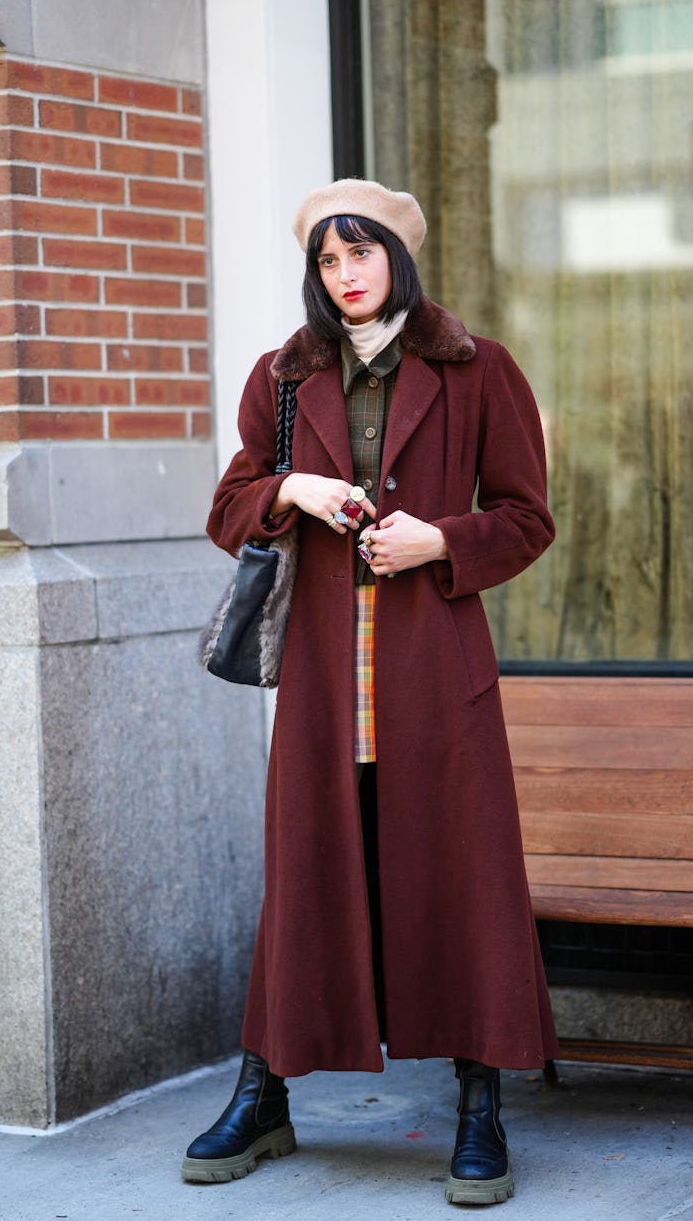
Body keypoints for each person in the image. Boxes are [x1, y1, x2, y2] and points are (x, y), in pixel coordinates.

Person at [181, 178, 558, 1207]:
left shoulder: (477, 370)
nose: (345, 277)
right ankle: (266, 1092)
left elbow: (528, 517)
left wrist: (444, 539)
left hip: (436, 675)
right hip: (319, 676)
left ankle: (481, 1104)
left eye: (362, 254)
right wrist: (290, 489)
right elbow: (228, 509)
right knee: (306, 877)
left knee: (463, 882)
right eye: (327, 261)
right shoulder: (284, 376)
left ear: (400, 254)